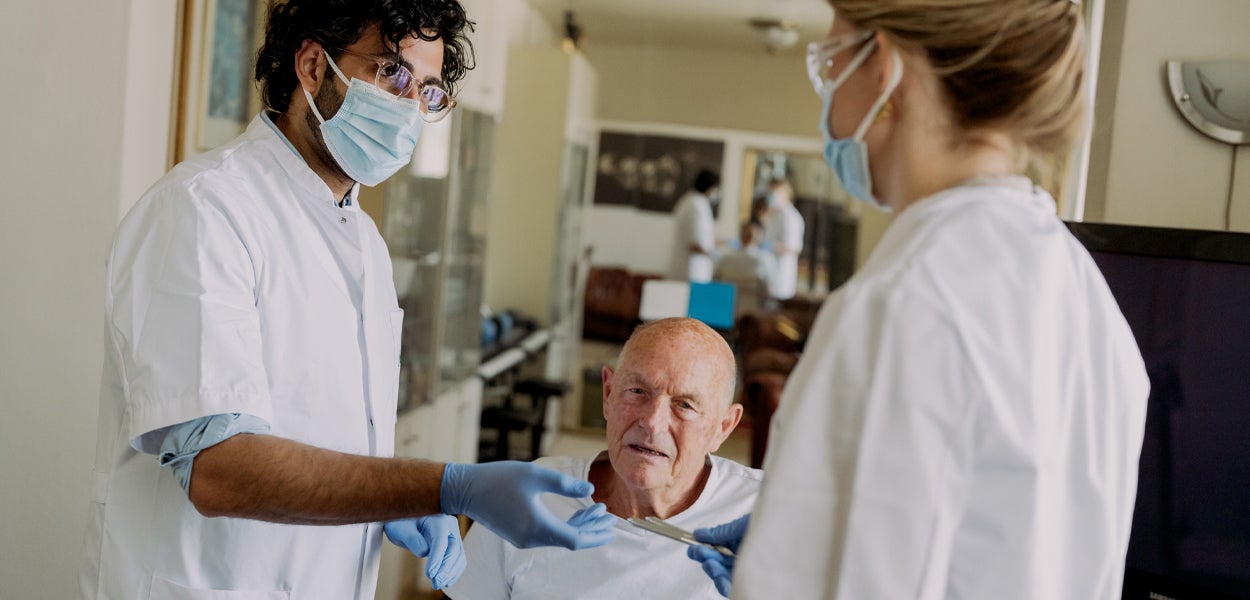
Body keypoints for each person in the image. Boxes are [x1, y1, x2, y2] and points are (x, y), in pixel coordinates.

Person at [80, 1, 616, 598]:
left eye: (429, 91)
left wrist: (392, 497)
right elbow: (219, 469)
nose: (411, 106)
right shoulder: (203, 210)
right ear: (312, 66)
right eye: (392, 72)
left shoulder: (363, 239)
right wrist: (439, 486)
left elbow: (330, 431)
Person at [688, 1, 1150, 598]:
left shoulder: (902, 301)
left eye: (829, 65)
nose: (828, 97)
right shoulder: (1087, 294)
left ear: (882, 66)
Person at [446, 318, 761, 599]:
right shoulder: (532, 494)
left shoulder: (763, 513)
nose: (652, 421)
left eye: (685, 405)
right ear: (608, 393)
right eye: (637, 391)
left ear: (723, 427)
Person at [670, 170, 721, 283]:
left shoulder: (695, 202)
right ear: (710, 187)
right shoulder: (695, 205)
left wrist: (724, 243)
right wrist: (713, 255)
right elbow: (694, 244)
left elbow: (704, 239)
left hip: (696, 271)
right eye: (715, 189)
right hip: (690, 272)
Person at [713, 223, 774, 317]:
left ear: (740, 236)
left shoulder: (725, 259)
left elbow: (714, 283)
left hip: (727, 312)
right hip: (753, 315)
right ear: (758, 239)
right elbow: (768, 290)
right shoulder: (764, 260)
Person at [760, 178, 805, 300]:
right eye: (769, 192)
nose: (770, 196)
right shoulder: (775, 214)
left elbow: (794, 249)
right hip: (769, 270)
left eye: (773, 192)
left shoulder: (790, 217)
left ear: (785, 192)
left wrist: (770, 246)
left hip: (781, 274)